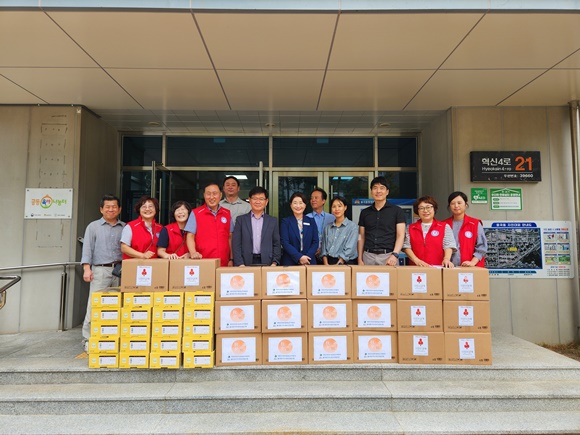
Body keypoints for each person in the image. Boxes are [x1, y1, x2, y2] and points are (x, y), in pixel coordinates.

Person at [80, 194, 125, 351]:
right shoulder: (93, 227)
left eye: (114, 207)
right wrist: (87, 269)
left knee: (117, 305)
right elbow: (87, 249)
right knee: (95, 305)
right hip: (100, 270)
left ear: (119, 209)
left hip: (120, 270)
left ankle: (112, 339)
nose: (111, 210)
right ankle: (88, 339)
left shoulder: (125, 227)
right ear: (101, 209)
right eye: (107, 207)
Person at [358, 176, 406, 266]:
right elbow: (361, 237)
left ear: (387, 192)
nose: (378, 191)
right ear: (371, 191)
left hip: (389, 257)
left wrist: (395, 255)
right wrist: (360, 258)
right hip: (368, 256)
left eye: (382, 188)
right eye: (375, 188)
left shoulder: (397, 211)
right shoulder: (364, 213)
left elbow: (401, 235)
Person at [185, 182, 234, 267]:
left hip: (224, 261)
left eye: (215, 193)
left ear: (220, 195)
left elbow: (230, 237)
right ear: (204, 195)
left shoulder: (227, 213)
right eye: (208, 194)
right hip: (202, 261)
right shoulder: (196, 213)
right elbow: (190, 236)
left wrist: (231, 259)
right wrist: (193, 253)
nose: (211, 197)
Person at [232, 186, 281, 266]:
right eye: (254, 198)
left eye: (261, 199)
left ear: (266, 201)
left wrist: (274, 262)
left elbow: (276, 244)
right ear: (250, 200)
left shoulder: (272, 221)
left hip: (267, 262)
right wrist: (240, 263)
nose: (258, 202)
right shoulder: (241, 220)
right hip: (245, 262)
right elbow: (236, 244)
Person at [403, 195, 456, 268]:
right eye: (421, 208)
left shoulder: (444, 227)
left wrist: (446, 259)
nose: (425, 211)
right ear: (417, 211)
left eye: (428, 207)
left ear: (434, 209)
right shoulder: (410, 228)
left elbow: (448, 245)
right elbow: (406, 247)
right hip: (416, 268)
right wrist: (417, 261)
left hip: (438, 267)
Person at [444, 191, 488, 267]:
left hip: (471, 268)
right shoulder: (444, 224)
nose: (456, 206)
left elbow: (482, 246)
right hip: (449, 268)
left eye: (459, 203)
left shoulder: (475, 223)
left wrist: (472, 262)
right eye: (453, 203)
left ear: (466, 204)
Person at [280, 192, 319, 266]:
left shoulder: (311, 221)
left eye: (301, 203)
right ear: (291, 205)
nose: (298, 206)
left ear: (305, 205)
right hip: (290, 261)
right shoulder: (286, 222)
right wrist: (299, 257)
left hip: (309, 261)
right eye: (295, 203)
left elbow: (315, 242)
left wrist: (306, 258)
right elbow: (285, 242)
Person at [120, 196, 162, 260]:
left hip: (155, 264)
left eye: (150, 206)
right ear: (139, 210)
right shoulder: (130, 226)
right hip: (135, 264)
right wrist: (142, 255)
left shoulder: (160, 228)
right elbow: (124, 248)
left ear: (156, 210)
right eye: (144, 207)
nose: (147, 209)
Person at [320, 196, 358, 265]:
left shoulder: (352, 227)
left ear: (345, 207)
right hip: (329, 262)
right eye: (334, 206)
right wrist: (326, 265)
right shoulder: (328, 227)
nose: (336, 209)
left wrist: (338, 265)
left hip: (345, 263)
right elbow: (323, 249)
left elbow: (350, 249)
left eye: (339, 206)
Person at [306, 187, 336, 263]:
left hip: (329, 255)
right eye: (311, 198)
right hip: (310, 255)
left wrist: (322, 249)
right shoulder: (306, 218)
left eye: (316, 198)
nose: (313, 200)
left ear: (323, 201)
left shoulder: (332, 218)